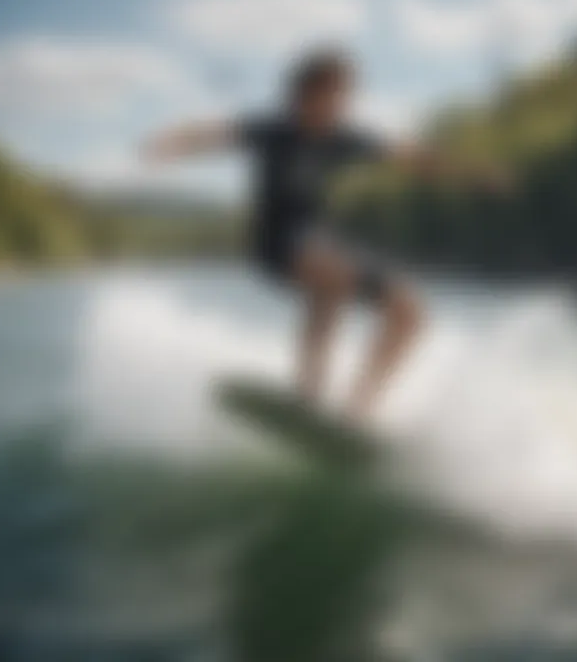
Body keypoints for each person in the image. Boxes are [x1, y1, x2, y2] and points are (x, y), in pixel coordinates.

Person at [141, 48, 508, 419]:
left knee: (408, 312)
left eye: (342, 96)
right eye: (327, 95)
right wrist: (168, 143)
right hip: (274, 246)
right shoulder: (272, 131)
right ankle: (310, 391)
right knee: (331, 276)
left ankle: (359, 406)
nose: (336, 105)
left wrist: (473, 174)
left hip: (318, 245)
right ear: (300, 95)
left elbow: (414, 160)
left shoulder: (346, 138)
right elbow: (211, 134)